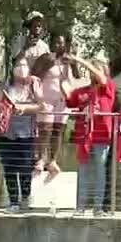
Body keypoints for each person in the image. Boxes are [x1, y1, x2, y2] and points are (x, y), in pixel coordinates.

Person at [0, 56, 45, 213]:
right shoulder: (6, 85)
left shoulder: (33, 84)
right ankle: (13, 201)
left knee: (26, 167)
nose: (21, 68)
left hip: (26, 133)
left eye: (24, 65)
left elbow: (42, 105)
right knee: (10, 167)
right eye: (18, 65)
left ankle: (26, 197)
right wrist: (5, 107)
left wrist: (24, 109)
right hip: (6, 133)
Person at [65, 56, 118, 216]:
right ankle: (80, 207)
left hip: (102, 136)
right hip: (84, 136)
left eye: (95, 70)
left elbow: (101, 78)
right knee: (83, 171)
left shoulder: (108, 86)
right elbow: (69, 99)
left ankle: (97, 207)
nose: (92, 73)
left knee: (100, 171)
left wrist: (80, 60)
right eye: (91, 70)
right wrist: (63, 75)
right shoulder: (82, 91)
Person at [34, 35, 80, 176]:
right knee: (45, 129)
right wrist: (49, 64)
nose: (58, 45)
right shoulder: (46, 58)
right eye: (56, 42)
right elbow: (35, 75)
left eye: (61, 42)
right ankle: (42, 159)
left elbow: (77, 76)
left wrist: (73, 63)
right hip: (46, 97)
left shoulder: (68, 60)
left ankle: (53, 160)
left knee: (58, 130)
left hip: (62, 100)